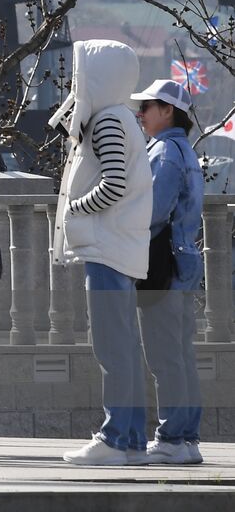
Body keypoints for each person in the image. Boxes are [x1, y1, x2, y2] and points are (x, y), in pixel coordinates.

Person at [54, 40, 154, 466]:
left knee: (112, 349)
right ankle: (129, 440)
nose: (76, 84)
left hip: (107, 249)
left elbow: (113, 184)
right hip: (118, 247)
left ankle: (115, 438)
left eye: (81, 76)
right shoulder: (120, 118)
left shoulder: (109, 122)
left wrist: (76, 209)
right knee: (123, 348)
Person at [132, 79, 204, 465]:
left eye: (146, 106)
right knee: (181, 355)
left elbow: (153, 213)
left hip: (162, 266)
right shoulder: (184, 150)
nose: (140, 114)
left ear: (167, 111)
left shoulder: (164, 152)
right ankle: (186, 437)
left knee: (164, 358)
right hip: (184, 263)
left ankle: (173, 436)